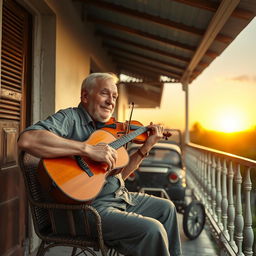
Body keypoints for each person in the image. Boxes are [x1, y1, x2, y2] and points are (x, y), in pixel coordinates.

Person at [18, 72, 182, 256]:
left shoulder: (108, 131)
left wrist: (146, 147)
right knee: (152, 230)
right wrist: (86, 149)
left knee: (167, 209)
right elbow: (27, 140)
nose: (111, 101)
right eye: (105, 93)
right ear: (85, 96)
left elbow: (117, 176)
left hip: (118, 198)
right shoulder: (71, 118)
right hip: (87, 210)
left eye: (114, 96)